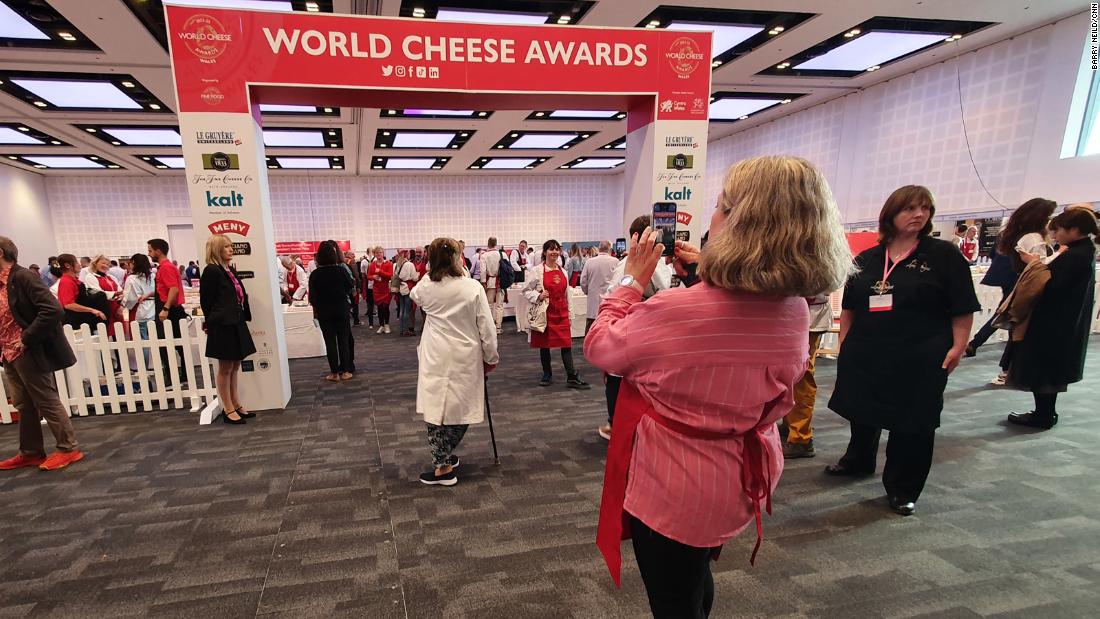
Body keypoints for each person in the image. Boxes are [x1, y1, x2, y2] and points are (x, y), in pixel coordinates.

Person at [585, 156, 852, 617]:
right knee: (694, 581)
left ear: (738, 223)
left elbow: (601, 346)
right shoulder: (791, 310)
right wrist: (706, 272)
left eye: (720, 207)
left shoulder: (675, 310)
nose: (712, 217)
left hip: (675, 484)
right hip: (738, 474)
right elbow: (729, 320)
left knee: (674, 597)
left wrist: (631, 281)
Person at [826, 185, 980, 517]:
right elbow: (851, 306)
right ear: (891, 215)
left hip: (920, 354)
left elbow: (962, 307)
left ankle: (903, 488)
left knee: (913, 421)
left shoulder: (943, 256)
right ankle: (858, 460)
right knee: (862, 409)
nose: (918, 214)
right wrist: (845, 343)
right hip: (867, 351)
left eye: (924, 208)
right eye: (909, 208)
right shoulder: (868, 259)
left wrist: (958, 345)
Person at [410, 238, 500, 486]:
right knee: (464, 404)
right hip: (465, 354)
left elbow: (414, 294)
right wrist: (491, 357)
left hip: (436, 354)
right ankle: (443, 459)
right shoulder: (472, 287)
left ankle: (442, 464)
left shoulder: (427, 285)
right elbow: (487, 327)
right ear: (456, 258)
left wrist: (430, 275)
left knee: (435, 408)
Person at [1004, 206, 1098, 429]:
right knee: (1049, 371)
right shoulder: (1081, 252)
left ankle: (1043, 415)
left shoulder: (1075, 256)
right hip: (1061, 323)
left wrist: (1034, 264)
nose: (1055, 235)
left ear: (1075, 230)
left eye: (1059, 230)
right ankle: (1044, 412)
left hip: (1054, 323)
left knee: (1045, 371)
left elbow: (1052, 287)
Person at [0, 236, 84, 471]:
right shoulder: (5, 282)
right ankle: (30, 452)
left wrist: (26, 338)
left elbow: (52, 309)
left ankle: (68, 448)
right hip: (9, 352)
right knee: (24, 404)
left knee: (46, 400)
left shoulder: (23, 276)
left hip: (28, 350)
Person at [965, 198, 1057, 385]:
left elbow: (994, 254)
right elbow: (1039, 265)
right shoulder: (1032, 238)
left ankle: (979, 347)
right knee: (1011, 320)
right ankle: (1005, 368)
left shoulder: (1011, 233)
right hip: (1023, 283)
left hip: (1013, 280)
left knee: (1006, 317)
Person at [199, 235, 256, 425]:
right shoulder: (211, 271)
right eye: (226, 247)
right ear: (216, 250)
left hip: (236, 322)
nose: (231, 249)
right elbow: (207, 301)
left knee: (235, 366)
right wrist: (210, 322)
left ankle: (236, 403)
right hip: (222, 324)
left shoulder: (229, 270)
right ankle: (228, 407)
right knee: (225, 368)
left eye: (231, 246)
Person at [523, 240, 589, 389]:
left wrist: (570, 315)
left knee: (566, 344)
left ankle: (571, 375)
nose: (554, 252)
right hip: (545, 313)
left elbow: (568, 296)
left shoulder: (563, 271)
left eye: (556, 250)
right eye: (551, 250)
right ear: (545, 252)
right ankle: (547, 374)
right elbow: (525, 290)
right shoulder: (537, 271)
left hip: (561, 312)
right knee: (544, 345)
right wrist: (538, 296)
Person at [779, 293, 834, 459]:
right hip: (790, 311)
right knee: (787, 371)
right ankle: (790, 423)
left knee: (802, 374)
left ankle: (801, 437)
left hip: (810, 315)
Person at [310, 240, 355, 380]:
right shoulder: (341, 270)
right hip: (341, 308)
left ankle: (334, 373)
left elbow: (313, 296)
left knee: (329, 341)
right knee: (343, 339)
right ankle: (346, 371)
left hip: (324, 311)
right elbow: (350, 287)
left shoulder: (315, 274)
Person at [148, 238, 189, 387]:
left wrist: (165, 308)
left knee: (169, 346)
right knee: (172, 345)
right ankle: (180, 376)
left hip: (170, 311)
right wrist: (149, 295)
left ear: (158, 251)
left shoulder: (166, 267)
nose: (149, 253)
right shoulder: (165, 267)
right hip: (170, 309)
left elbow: (173, 289)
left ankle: (176, 378)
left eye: (150, 250)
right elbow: (166, 288)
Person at [122, 253, 156, 368]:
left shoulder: (132, 278)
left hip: (140, 310)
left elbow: (129, 298)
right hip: (154, 308)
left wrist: (123, 304)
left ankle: (145, 367)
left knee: (143, 342)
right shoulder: (153, 275)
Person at [579, 241, 619, 334]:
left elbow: (583, 281)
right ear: (610, 249)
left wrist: (588, 292)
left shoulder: (589, 262)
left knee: (590, 327)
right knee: (608, 328)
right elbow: (619, 281)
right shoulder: (616, 261)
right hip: (610, 300)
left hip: (593, 300)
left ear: (599, 248)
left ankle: (589, 347)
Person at [56, 254, 106, 325]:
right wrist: (91, 310)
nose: (79, 265)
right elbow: (69, 304)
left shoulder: (74, 279)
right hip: (74, 320)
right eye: (76, 262)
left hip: (82, 318)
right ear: (67, 265)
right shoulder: (66, 281)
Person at [83, 254, 124, 328]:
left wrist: (120, 299)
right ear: (95, 263)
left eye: (108, 264)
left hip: (116, 308)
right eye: (103, 263)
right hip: (103, 309)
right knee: (106, 332)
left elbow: (120, 290)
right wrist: (115, 294)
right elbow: (98, 293)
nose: (106, 266)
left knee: (119, 333)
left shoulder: (111, 277)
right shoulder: (90, 277)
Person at [479, 236, 504, 334]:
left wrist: (483, 282)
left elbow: (483, 271)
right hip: (501, 282)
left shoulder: (484, 255)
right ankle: (498, 327)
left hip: (490, 282)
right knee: (499, 306)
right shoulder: (502, 254)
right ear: (496, 243)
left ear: (488, 244)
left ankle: (489, 327)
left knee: (489, 305)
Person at [368, 246, 393, 334]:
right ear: (374, 254)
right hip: (377, 290)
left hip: (386, 289)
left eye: (380, 252)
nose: (379, 254)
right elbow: (368, 276)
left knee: (385, 307)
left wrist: (380, 272)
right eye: (377, 253)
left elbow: (390, 275)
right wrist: (373, 277)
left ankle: (387, 325)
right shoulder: (372, 264)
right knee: (379, 308)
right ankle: (381, 325)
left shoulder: (388, 263)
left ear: (383, 253)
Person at [395, 250, 419, 336]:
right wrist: (418, 275)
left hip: (400, 287)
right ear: (406, 255)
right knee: (407, 310)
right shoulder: (409, 264)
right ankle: (406, 330)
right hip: (408, 287)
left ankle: (401, 329)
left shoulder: (396, 264)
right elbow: (415, 278)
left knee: (401, 309)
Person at [344, 251, 362, 327]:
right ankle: (356, 321)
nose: (354, 255)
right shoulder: (352, 261)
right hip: (353, 285)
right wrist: (358, 286)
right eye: (352, 254)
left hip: (345, 286)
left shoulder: (342, 262)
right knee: (355, 304)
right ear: (347, 255)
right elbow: (356, 274)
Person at [360, 252, 376, 329]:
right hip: (375, 284)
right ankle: (381, 323)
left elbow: (363, 275)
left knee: (370, 305)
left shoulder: (363, 261)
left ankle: (371, 324)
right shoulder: (376, 260)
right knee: (378, 304)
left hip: (369, 285)